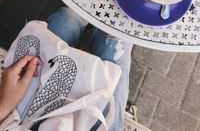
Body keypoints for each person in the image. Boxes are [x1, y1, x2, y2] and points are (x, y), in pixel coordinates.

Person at [0, 7, 133, 130]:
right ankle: (93, 38)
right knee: (118, 40)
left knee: (67, 18)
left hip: (11, 121)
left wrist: (4, 106)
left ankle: (88, 37)